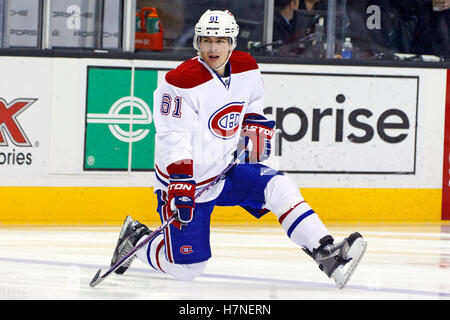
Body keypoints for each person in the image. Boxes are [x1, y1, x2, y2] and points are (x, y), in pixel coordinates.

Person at [109, 9, 367, 289]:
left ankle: (325, 252)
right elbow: (174, 136)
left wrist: (254, 126)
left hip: (226, 169)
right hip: (186, 183)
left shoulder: (247, 67)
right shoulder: (180, 82)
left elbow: (252, 104)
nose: (213, 47)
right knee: (187, 269)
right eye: (206, 40)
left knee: (280, 187)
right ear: (197, 43)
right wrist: (181, 182)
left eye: (221, 41)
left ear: (232, 42)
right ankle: (136, 239)